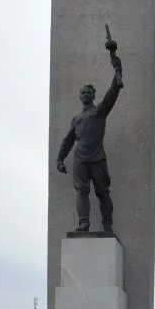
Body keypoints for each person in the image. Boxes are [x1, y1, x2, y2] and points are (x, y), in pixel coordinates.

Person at [55, 46, 123, 234]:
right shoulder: (77, 119)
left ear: (93, 95)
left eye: (88, 93)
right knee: (81, 191)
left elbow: (113, 92)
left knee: (103, 192)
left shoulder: (99, 112)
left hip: (97, 158)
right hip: (80, 158)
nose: (85, 95)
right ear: (80, 96)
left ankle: (107, 225)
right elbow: (68, 140)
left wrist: (116, 64)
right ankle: (84, 223)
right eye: (83, 93)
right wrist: (60, 159)